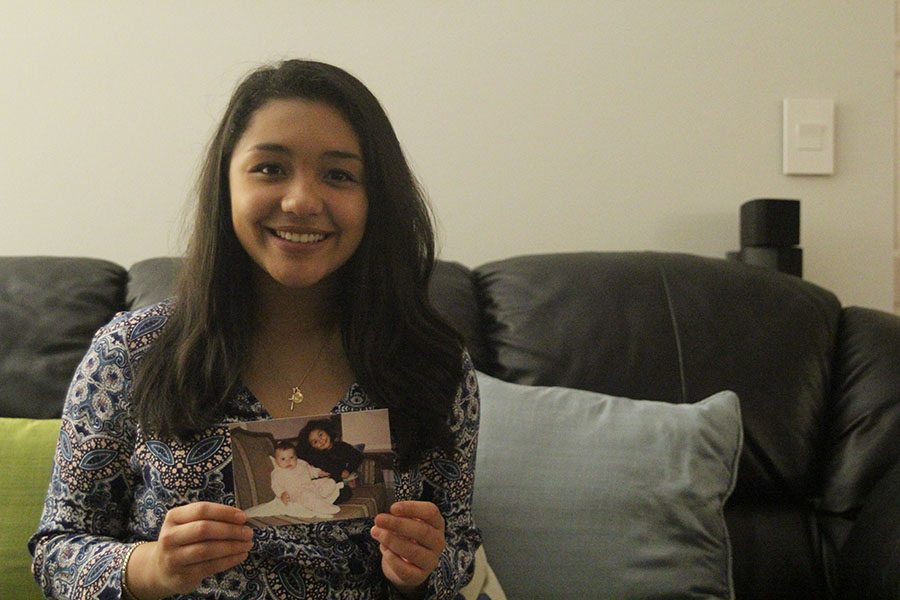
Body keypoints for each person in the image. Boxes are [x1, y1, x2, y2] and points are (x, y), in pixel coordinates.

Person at [29, 59, 481, 599]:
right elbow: (56, 552)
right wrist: (153, 567)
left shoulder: (433, 364)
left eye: (339, 174)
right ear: (226, 183)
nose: (301, 201)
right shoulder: (130, 354)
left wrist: (424, 568)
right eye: (270, 168)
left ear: (375, 199)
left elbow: (457, 547)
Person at [247, 441, 342, 520]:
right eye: (283, 459)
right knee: (307, 496)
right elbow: (276, 485)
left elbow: (310, 469)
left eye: (291, 457)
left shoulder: (301, 463)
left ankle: (322, 495)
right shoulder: (278, 473)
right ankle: (324, 507)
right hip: (296, 493)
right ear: (276, 461)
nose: (288, 461)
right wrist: (282, 494)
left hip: (311, 485)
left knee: (329, 482)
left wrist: (318, 472)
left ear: (296, 457)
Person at [297, 418, 364, 502]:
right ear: (312, 447)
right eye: (315, 442)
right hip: (320, 484)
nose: (321, 441)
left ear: (327, 431)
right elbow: (326, 468)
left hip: (335, 485)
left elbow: (357, 456)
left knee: (346, 492)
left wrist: (348, 470)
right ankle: (314, 500)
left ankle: (320, 501)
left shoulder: (342, 446)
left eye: (321, 435)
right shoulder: (315, 456)